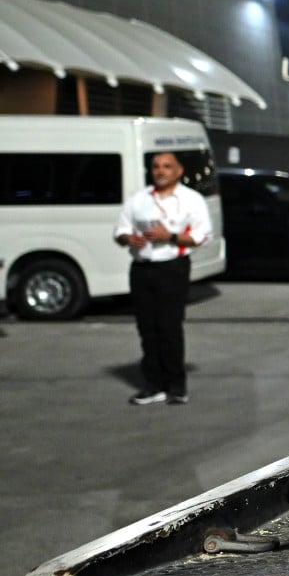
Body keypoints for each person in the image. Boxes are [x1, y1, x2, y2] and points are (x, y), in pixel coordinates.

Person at [112, 151, 212, 406]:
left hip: (173, 268)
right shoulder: (138, 199)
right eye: (156, 166)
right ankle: (152, 385)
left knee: (169, 328)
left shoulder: (191, 200)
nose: (160, 171)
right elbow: (120, 230)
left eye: (167, 166)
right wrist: (128, 239)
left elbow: (201, 236)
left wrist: (171, 237)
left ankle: (176, 387)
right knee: (147, 329)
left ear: (178, 171)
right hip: (142, 268)